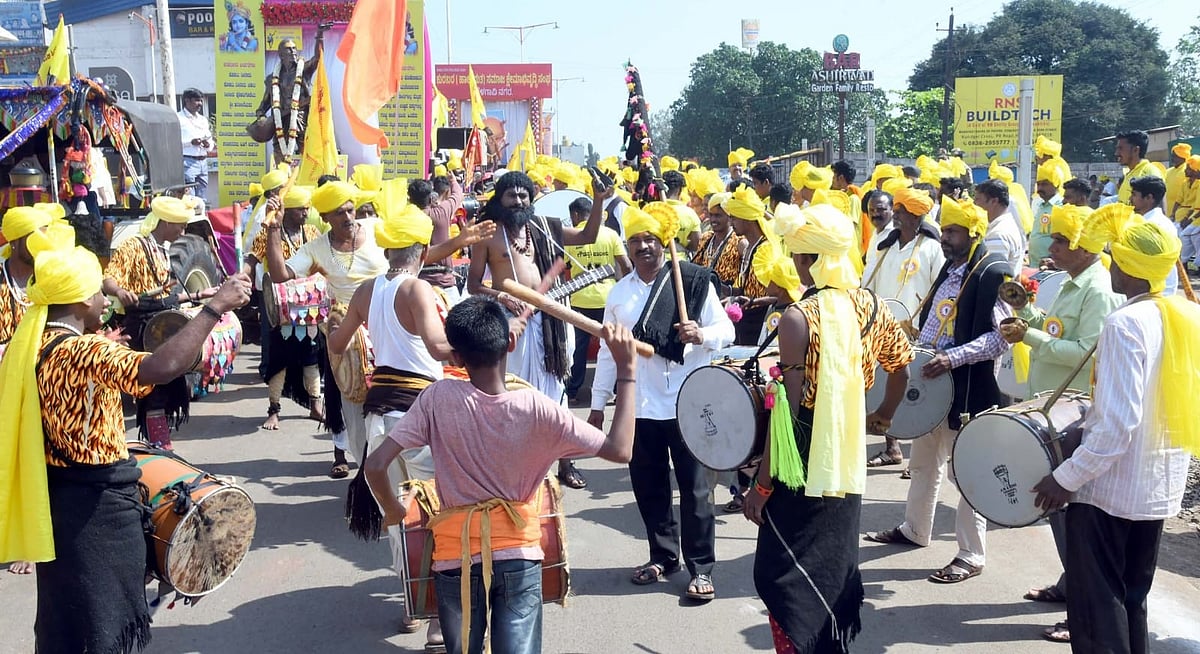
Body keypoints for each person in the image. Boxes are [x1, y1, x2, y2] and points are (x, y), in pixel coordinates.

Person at [0, 245, 250, 653]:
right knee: (106, 623)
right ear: (82, 299)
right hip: (98, 512)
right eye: (101, 292)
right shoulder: (83, 351)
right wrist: (214, 307)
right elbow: (160, 368)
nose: (106, 299)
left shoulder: (31, 344)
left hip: (59, 502)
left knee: (67, 619)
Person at [365, 297, 639, 654]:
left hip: (455, 558)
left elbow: (374, 466)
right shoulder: (536, 407)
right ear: (510, 343)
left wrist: (395, 510)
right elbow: (620, 450)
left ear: (457, 358)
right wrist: (627, 371)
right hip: (518, 555)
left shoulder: (438, 398)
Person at [745, 202, 915, 654]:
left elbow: (794, 415)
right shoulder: (875, 309)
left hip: (800, 463)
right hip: (846, 456)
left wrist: (761, 486)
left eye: (799, 257)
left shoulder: (799, 318)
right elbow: (902, 371)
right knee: (831, 566)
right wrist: (884, 417)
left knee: (779, 575)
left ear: (809, 260)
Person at [1032, 211, 1200, 654]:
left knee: (1099, 614)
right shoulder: (1181, 313)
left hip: (1110, 492)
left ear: (1128, 266)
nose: (1110, 264)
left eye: (1115, 257)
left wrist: (1065, 478)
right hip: (1154, 490)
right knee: (1131, 601)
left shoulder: (1126, 324)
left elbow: (1117, 427)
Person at [587, 202, 735, 602]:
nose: (643, 246)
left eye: (650, 238)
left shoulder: (690, 280)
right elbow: (606, 352)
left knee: (696, 489)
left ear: (663, 241)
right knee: (649, 488)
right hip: (641, 406)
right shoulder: (619, 294)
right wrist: (599, 403)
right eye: (634, 240)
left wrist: (700, 333)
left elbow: (727, 330)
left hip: (689, 401)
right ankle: (663, 557)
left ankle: (700, 567)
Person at [866, 196, 1012, 584]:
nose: (945, 237)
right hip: (933, 388)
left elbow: (1001, 339)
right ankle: (915, 529)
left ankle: (971, 554)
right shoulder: (951, 267)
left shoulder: (991, 273)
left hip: (967, 390)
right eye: (944, 230)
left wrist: (951, 359)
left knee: (966, 474)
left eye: (953, 232)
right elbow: (936, 323)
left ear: (973, 233)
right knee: (923, 464)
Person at [997, 202, 1122, 645]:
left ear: (1083, 248)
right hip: (1050, 407)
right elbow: (1056, 334)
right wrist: (1025, 312)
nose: (1051, 247)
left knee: (1072, 515)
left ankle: (1081, 608)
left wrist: (1028, 335)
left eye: (1059, 241)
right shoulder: (1069, 282)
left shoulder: (1098, 291)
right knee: (1058, 514)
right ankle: (1072, 587)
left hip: (1073, 413)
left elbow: (1082, 353)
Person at [329, 197, 449, 648]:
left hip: (380, 418)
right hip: (418, 414)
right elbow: (438, 349)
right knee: (435, 510)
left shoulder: (365, 290)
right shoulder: (416, 290)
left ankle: (411, 602)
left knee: (398, 510)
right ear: (420, 249)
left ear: (388, 250)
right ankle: (436, 614)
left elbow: (338, 344)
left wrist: (331, 321)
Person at [466, 171, 606, 490]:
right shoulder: (488, 234)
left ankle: (564, 462)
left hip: (550, 319)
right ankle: (517, 461)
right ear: (499, 199)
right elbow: (473, 284)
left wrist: (598, 201)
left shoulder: (545, 228)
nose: (518, 201)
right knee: (517, 391)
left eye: (524, 195)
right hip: (512, 321)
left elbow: (588, 236)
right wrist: (500, 295)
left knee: (556, 391)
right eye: (511, 196)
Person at [103, 196, 218, 444]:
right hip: (144, 327)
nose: (183, 231)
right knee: (153, 390)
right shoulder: (132, 246)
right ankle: (159, 444)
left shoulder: (163, 249)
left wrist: (199, 295)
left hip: (163, 323)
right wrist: (119, 291)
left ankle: (161, 440)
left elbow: (168, 297)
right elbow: (108, 278)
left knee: (168, 384)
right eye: (180, 225)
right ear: (165, 222)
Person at [861, 187, 944, 470]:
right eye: (895, 211)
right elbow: (867, 283)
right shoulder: (883, 243)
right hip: (883, 326)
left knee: (916, 390)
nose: (894, 216)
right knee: (884, 387)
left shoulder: (933, 248)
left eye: (900, 212)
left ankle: (919, 455)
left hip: (916, 331)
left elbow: (939, 292)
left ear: (916, 216)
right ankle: (892, 447)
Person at [242, 186, 323, 430]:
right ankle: (274, 409)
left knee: (311, 357)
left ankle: (315, 405)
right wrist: (241, 279)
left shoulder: (312, 232)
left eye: (307, 209)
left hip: (309, 308)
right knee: (279, 359)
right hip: (277, 307)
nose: (305, 214)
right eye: (300, 210)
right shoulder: (268, 232)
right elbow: (252, 260)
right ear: (286, 211)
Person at [563, 196, 631, 404]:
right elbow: (626, 266)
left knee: (578, 349)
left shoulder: (572, 237)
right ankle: (616, 391)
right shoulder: (611, 235)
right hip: (608, 300)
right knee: (611, 346)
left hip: (580, 300)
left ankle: (573, 392)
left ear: (575, 215)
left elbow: (564, 268)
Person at [254, 26, 330, 163]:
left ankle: (311, 179)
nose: (293, 51)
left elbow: (318, 58)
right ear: (281, 55)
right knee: (279, 154)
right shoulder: (272, 78)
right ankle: (282, 181)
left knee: (308, 152)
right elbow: (263, 105)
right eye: (289, 49)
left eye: (294, 48)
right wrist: (261, 117)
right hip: (280, 120)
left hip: (300, 118)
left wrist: (319, 35)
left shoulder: (303, 70)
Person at [723, 187, 784, 345]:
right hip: (744, 321)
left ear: (747, 219)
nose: (731, 223)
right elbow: (744, 288)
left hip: (761, 320)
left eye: (734, 218)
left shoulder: (766, 249)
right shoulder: (748, 246)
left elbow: (779, 294)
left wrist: (753, 302)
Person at [417, 175, 466, 306]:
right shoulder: (442, 212)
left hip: (417, 285)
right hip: (445, 283)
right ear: (430, 197)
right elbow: (458, 195)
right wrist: (453, 181)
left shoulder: (405, 218)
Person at [1129, 176, 1180, 296]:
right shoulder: (1149, 221)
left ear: (1149, 198)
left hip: (1156, 291)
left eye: (1134, 195)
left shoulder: (1154, 225)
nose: (1130, 199)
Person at [691, 191, 745, 296]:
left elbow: (743, 283)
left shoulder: (740, 242)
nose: (713, 220)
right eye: (711, 215)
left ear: (729, 217)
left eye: (718, 216)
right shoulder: (706, 238)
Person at [975, 178, 1026, 275]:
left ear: (994, 201)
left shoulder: (998, 234)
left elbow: (992, 274)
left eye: (978, 200)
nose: (975, 204)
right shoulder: (1005, 225)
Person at [1029, 160, 1065, 268]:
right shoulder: (1040, 205)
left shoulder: (1061, 206)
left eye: (1044, 184)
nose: (1039, 188)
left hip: (1050, 265)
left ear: (1056, 184)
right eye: (1038, 184)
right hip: (1035, 265)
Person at [178, 89, 212, 203]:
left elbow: (210, 140)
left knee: (202, 198)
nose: (200, 104)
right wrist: (190, 143)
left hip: (203, 161)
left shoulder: (202, 119)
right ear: (187, 101)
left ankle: (201, 220)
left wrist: (208, 145)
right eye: (197, 101)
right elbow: (173, 143)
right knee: (189, 197)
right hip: (188, 161)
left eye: (201, 101)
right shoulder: (178, 118)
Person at [1115, 129, 1162, 206]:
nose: (1116, 153)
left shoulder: (1149, 172)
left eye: (1120, 148)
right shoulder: (1129, 173)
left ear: (1135, 150)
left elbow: (1159, 209)